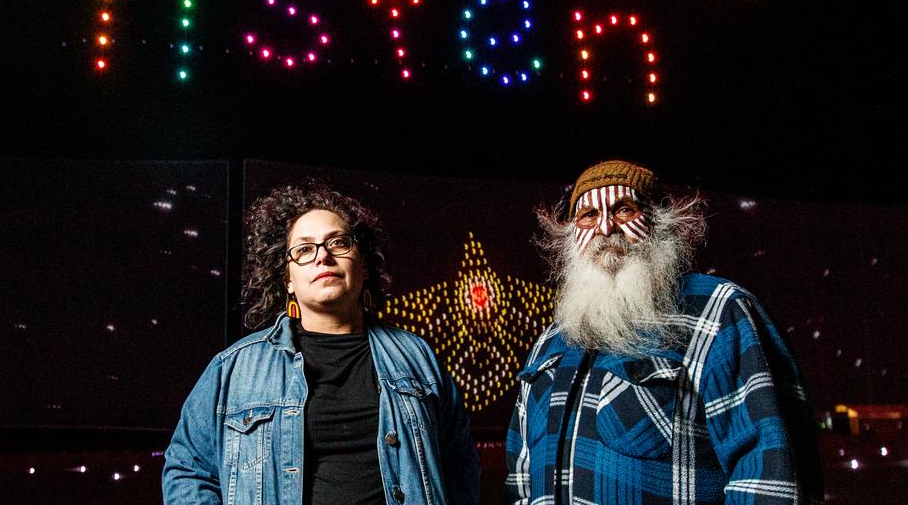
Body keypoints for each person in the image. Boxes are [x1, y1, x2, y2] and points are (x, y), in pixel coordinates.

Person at [506, 160, 823, 504]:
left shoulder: (718, 311)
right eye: (588, 216)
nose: (605, 227)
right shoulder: (548, 344)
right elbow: (520, 480)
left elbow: (769, 478)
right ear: (570, 235)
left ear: (659, 222)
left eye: (624, 210)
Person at [164, 183, 480, 505]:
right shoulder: (232, 370)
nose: (323, 256)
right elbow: (188, 469)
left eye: (338, 243)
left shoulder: (418, 358)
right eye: (303, 250)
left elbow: (459, 465)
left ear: (365, 265)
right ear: (287, 280)